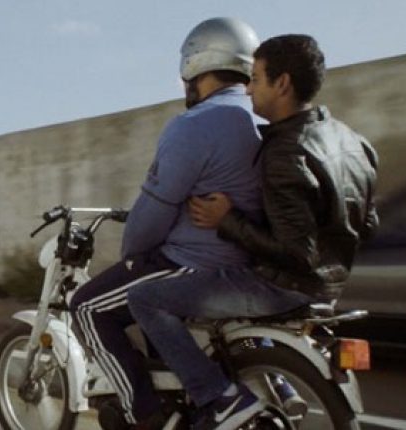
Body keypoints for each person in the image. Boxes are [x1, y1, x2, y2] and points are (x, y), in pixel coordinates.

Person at [127, 34, 379, 430]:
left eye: (256, 79)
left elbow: (296, 253)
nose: (247, 90)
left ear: (282, 84)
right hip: (330, 286)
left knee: (146, 299)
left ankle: (219, 401)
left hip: (282, 286)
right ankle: (275, 385)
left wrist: (227, 220)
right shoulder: (352, 140)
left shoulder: (285, 152)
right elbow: (367, 225)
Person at [68, 17, 266, 429]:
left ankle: (144, 414)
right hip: (251, 264)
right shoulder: (262, 118)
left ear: (196, 63)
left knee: (86, 307)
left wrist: (131, 257)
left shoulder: (194, 124)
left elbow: (154, 212)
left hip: (193, 264)